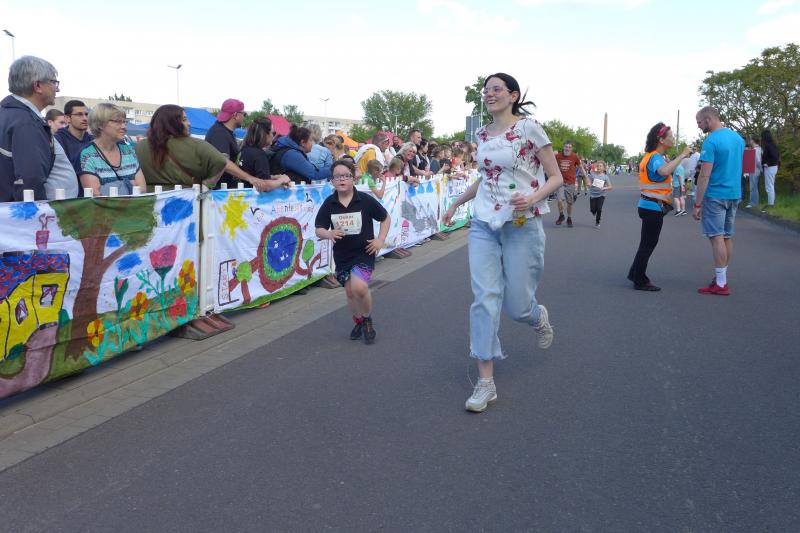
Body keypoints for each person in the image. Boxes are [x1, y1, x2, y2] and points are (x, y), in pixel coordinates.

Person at [442, 72, 562, 413]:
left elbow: (555, 177)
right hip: (484, 224)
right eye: (486, 90)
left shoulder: (529, 129)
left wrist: (533, 197)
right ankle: (486, 383)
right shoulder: (481, 134)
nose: (489, 94)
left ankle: (536, 316)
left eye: (496, 89)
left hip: (522, 223)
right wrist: (456, 203)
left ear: (513, 95)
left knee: (518, 306)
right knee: (485, 299)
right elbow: (485, 178)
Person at [315, 159, 390, 345]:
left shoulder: (364, 200)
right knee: (349, 292)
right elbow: (319, 229)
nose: (342, 180)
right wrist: (329, 233)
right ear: (332, 181)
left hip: (364, 252)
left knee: (359, 287)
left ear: (353, 178)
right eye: (337, 177)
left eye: (346, 176)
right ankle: (359, 321)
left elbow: (385, 218)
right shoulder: (330, 203)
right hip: (342, 256)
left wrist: (380, 240)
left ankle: (367, 319)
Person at [136, 105, 288, 192]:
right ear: (173, 123)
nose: (189, 123)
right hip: (187, 206)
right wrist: (207, 185)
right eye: (184, 119)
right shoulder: (195, 144)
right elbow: (221, 161)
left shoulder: (140, 146)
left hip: (152, 204)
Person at [628, 123, 692, 291]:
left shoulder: (649, 156)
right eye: (670, 136)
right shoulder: (656, 157)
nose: (673, 138)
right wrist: (682, 155)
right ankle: (640, 280)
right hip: (653, 207)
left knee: (646, 243)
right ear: (661, 140)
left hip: (647, 204)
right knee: (648, 244)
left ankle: (635, 273)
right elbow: (663, 171)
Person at [692, 106, 745, 296]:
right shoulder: (738, 139)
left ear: (708, 119)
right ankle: (721, 278)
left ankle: (721, 284)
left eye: (699, 122)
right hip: (734, 193)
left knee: (716, 237)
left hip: (715, 194)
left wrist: (697, 204)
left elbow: (704, 175)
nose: (699, 126)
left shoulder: (711, 141)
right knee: (726, 237)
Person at [0, 56, 62, 201]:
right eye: (54, 82)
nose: (57, 89)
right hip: (21, 211)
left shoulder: (8, 114)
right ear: (38, 86)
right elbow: (30, 179)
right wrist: (36, 212)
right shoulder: (27, 122)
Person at [78, 103, 146, 196]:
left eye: (124, 122)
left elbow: (142, 189)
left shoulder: (128, 150)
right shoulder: (87, 155)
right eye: (118, 122)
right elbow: (96, 195)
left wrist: (109, 187)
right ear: (100, 124)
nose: (124, 127)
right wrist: (130, 184)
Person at [205, 98, 246, 189]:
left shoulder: (225, 132)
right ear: (235, 115)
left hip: (223, 189)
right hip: (217, 191)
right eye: (244, 114)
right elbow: (224, 163)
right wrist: (250, 178)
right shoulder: (219, 134)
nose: (244, 117)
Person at [237, 116, 291, 184]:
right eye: (272, 133)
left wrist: (274, 177)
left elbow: (257, 176)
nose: (273, 136)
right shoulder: (259, 155)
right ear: (265, 134)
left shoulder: (245, 149)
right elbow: (265, 185)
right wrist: (282, 180)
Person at [554, 140, 590, 227]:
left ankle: (569, 218)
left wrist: (586, 178)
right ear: (563, 147)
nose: (568, 148)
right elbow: (551, 164)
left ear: (571, 148)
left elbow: (581, 167)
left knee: (570, 203)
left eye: (569, 147)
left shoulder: (575, 157)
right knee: (560, 200)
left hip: (570, 183)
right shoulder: (558, 156)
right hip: (560, 182)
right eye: (566, 147)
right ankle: (561, 215)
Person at [55, 99, 94, 174]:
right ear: (67, 118)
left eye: (86, 114)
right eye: (79, 115)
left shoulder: (92, 140)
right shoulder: (58, 140)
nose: (85, 118)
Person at [588, 160, 613, 227]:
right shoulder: (592, 174)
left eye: (600, 166)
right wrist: (589, 184)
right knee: (592, 210)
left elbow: (610, 187)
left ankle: (597, 221)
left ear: (604, 168)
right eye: (598, 166)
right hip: (593, 195)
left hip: (601, 195)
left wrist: (604, 188)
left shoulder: (605, 177)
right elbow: (589, 183)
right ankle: (594, 212)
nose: (598, 167)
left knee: (599, 209)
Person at [760, 129, 780, 212]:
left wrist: (767, 163)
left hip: (770, 168)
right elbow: (776, 157)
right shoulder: (773, 145)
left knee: (769, 186)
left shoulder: (768, 146)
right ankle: (771, 203)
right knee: (770, 186)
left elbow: (775, 157)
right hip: (773, 167)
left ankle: (770, 204)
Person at [744, 137, 762, 209]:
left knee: (753, 187)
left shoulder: (755, 150)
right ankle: (754, 202)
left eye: (751, 140)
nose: (750, 141)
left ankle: (753, 203)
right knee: (754, 187)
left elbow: (758, 161)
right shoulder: (760, 149)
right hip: (755, 170)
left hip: (754, 170)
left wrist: (760, 168)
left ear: (753, 141)